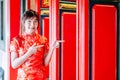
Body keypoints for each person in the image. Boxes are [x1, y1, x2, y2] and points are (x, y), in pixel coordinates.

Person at [10, 9, 63, 80]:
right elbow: (14, 64)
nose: (32, 25)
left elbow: (45, 63)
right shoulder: (17, 40)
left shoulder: (42, 40)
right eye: (29, 21)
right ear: (24, 23)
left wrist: (52, 49)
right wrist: (29, 53)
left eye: (35, 21)